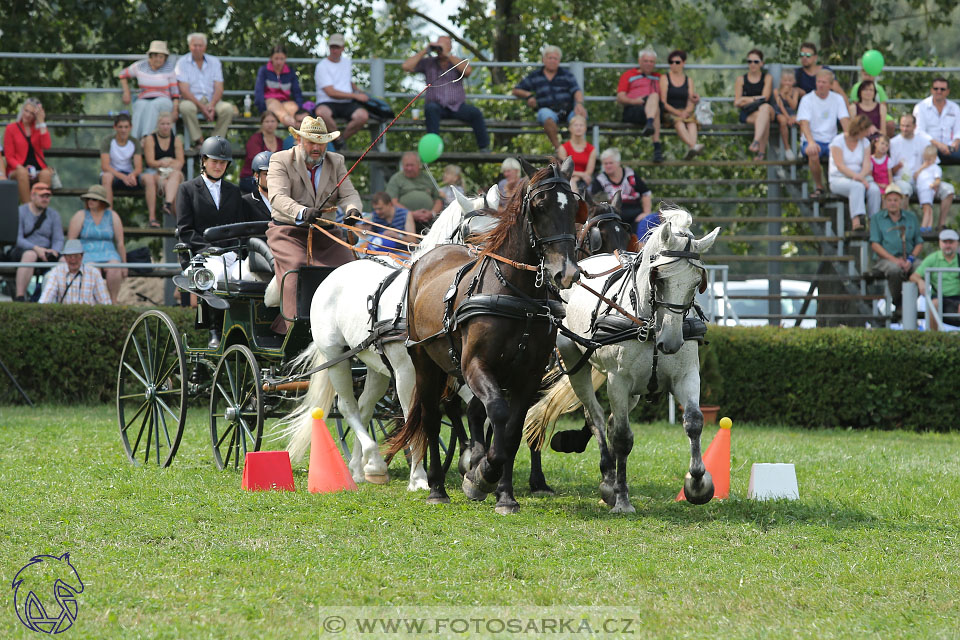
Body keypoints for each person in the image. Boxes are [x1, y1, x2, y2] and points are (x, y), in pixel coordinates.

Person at [266, 116, 362, 333]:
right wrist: (301, 211)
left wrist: (352, 211)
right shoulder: (280, 159)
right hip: (288, 232)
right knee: (298, 268)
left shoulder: (336, 161)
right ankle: (293, 329)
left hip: (326, 233)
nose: (316, 147)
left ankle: (351, 328)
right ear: (298, 139)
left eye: (321, 142)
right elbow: (277, 197)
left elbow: (349, 195)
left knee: (351, 268)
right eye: (311, 141)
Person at [402, 35, 490, 153]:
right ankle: (433, 148)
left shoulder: (457, 61)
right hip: (437, 107)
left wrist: (448, 55)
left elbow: (468, 71)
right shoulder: (428, 63)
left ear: (450, 47)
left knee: (475, 113)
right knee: (430, 109)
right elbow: (406, 66)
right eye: (438, 45)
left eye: (443, 46)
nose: (440, 49)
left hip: (457, 107)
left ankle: (484, 148)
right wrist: (425, 50)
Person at [513, 45, 587, 151]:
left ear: (559, 61)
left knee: (580, 116)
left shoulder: (566, 75)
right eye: (550, 58)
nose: (552, 61)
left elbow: (577, 91)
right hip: (547, 110)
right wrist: (528, 96)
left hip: (568, 110)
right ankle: (559, 150)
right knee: (546, 116)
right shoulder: (535, 75)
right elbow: (516, 90)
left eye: (555, 58)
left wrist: (579, 104)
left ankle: (577, 150)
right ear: (543, 60)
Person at [869, 184, 923, 316]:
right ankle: (898, 302)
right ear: (885, 201)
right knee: (894, 269)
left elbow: (919, 242)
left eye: (896, 200)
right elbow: (875, 244)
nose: (893, 203)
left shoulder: (911, 217)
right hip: (886, 260)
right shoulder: (877, 218)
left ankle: (909, 301)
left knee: (922, 267)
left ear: (902, 201)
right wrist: (894, 260)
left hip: (909, 258)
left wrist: (910, 259)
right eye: (889, 200)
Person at [66, 185, 126, 302]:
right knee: (93, 270)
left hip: (109, 252)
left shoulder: (112, 216)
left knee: (115, 268)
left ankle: (113, 301)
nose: (90, 202)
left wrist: (124, 264)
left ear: (101, 202)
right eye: (88, 199)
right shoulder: (81, 215)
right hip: (87, 252)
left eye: (94, 199)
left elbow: (120, 242)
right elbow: (72, 240)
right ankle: (96, 302)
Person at [797, 69, 850, 198]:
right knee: (813, 152)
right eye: (819, 82)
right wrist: (810, 142)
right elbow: (804, 123)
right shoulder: (807, 99)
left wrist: (849, 139)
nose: (820, 85)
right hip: (813, 139)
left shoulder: (837, 99)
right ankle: (819, 187)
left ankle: (842, 186)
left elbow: (844, 121)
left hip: (832, 140)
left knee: (847, 152)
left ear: (831, 85)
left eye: (824, 82)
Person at [175, 32, 234, 149]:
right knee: (185, 107)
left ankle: (214, 143)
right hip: (192, 100)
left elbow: (219, 87)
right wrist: (202, 107)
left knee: (227, 109)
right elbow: (184, 90)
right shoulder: (182, 62)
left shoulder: (214, 62)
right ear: (189, 46)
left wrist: (211, 105)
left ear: (205, 47)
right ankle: (200, 141)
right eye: (194, 45)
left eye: (200, 45)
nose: (197, 48)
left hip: (212, 100)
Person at [314, 34, 370, 148]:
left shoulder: (347, 62)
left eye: (337, 47)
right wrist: (355, 96)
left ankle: (339, 141)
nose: (334, 50)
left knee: (363, 116)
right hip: (327, 101)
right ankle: (338, 140)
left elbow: (346, 81)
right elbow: (331, 92)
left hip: (347, 103)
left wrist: (359, 91)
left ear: (343, 48)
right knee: (321, 113)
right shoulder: (322, 66)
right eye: (332, 47)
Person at [99, 113, 156, 225]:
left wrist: (132, 175)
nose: (123, 130)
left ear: (130, 127)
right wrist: (123, 177)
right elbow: (105, 166)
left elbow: (138, 167)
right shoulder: (108, 141)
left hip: (129, 175)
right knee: (106, 177)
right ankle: (109, 217)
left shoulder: (134, 142)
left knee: (149, 178)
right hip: (113, 174)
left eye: (126, 127)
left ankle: (152, 218)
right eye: (120, 127)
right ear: (115, 127)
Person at [10, 183, 63, 302]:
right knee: (30, 255)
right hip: (24, 250)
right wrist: (36, 249)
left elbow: (58, 239)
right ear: (33, 196)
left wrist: (54, 251)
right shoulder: (21, 211)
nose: (45, 199)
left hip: (47, 251)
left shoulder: (53, 215)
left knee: (65, 261)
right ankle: (20, 297)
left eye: (47, 197)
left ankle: (61, 299)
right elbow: (17, 239)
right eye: (42, 196)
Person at [828, 114, 882, 231]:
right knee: (857, 187)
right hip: (839, 178)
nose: (868, 133)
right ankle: (857, 220)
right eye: (866, 130)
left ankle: (874, 222)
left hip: (861, 176)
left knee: (874, 190)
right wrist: (859, 179)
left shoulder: (865, 142)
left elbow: (867, 164)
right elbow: (840, 165)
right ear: (860, 129)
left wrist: (862, 177)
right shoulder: (837, 141)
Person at [119, 40, 180, 140]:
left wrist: (175, 109)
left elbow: (175, 92)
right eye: (155, 56)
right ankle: (134, 139)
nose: (158, 59)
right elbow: (122, 74)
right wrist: (126, 92)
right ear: (150, 56)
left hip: (163, 99)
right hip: (144, 98)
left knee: (153, 106)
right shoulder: (140, 66)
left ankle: (146, 137)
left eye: (161, 57)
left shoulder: (169, 68)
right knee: (139, 106)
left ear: (165, 58)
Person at [590, 147, 656, 237]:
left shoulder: (630, 174)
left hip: (636, 216)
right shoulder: (600, 180)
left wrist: (646, 212)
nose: (608, 166)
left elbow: (645, 193)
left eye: (611, 163)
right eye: (605, 163)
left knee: (649, 222)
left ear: (618, 163)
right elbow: (597, 202)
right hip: (613, 217)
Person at [616, 48, 663, 163]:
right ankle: (657, 147)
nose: (649, 64)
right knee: (655, 105)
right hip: (634, 108)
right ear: (639, 61)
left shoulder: (659, 77)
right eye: (646, 61)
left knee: (655, 97)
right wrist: (636, 101)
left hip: (654, 107)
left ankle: (650, 124)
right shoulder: (628, 75)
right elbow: (620, 97)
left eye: (651, 61)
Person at [4, 97, 53, 204]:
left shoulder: (38, 128)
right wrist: (22, 168)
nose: (28, 115)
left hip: (37, 169)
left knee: (46, 174)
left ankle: (41, 206)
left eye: (31, 113)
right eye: (26, 111)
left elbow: (47, 145)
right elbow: (9, 157)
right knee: (22, 173)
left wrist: (42, 123)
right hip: (17, 169)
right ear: (22, 111)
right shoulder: (11, 128)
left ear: (35, 116)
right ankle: (28, 209)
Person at [910, 228, 960, 329]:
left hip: (957, 299)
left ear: (957, 243)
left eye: (951, 242)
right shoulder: (932, 258)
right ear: (939, 243)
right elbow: (914, 276)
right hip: (939, 298)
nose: (948, 245)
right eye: (945, 242)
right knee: (934, 304)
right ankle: (934, 338)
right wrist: (920, 281)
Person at [38, 240, 111, 305]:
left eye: (76, 256)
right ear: (65, 257)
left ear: (82, 257)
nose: (73, 260)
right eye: (70, 256)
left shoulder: (94, 273)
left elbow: (105, 302)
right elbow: (46, 299)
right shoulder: (56, 272)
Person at [659, 49, 703, 160]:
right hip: (670, 111)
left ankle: (692, 148)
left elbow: (691, 99)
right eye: (671, 62)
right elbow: (663, 102)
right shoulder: (665, 79)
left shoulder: (689, 80)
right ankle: (693, 146)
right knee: (678, 122)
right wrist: (678, 113)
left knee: (692, 123)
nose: (674, 65)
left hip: (684, 111)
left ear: (683, 63)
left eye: (677, 62)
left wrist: (687, 111)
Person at [143, 111, 185, 222]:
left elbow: (180, 162)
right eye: (163, 124)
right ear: (158, 125)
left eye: (168, 124)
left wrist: (170, 163)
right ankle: (179, 221)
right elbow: (150, 162)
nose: (165, 127)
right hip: (156, 173)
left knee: (176, 176)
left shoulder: (176, 140)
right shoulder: (150, 139)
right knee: (172, 186)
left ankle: (167, 204)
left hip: (172, 173)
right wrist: (163, 162)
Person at [733, 49, 775, 161]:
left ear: (762, 63)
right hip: (749, 113)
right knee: (763, 118)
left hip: (766, 109)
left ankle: (756, 141)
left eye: (756, 61)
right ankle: (761, 153)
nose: (752, 64)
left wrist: (745, 99)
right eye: (750, 61)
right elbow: (737, 102)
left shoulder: (767, 78)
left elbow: (765, 97)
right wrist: (755, 99)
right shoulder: (741, 79)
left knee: (764, 108)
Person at [386, 151, 442, 231]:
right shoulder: (396, 179)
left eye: (412, 165)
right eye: (406, 165)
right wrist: (410, 214)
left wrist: (432, 213)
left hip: (430, 221)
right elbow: (392, 202)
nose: (409, 168)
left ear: (419, 165)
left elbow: (438, 200)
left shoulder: (427, 178)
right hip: (404, 222)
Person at [254, 43, 304, 129]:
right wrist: (262, 109)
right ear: (271, 58)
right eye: (276, 58)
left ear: (285, 59)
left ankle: (297, 133)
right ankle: (292, 125)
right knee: (278, 109)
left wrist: (299, 107)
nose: (279, 62)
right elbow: (259, 91)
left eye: (281, 59)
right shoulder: (264, 70)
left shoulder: (290, 72)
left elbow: (297, 91)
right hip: (270, 102)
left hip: (285, 102)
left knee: (294, 109)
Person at [913, 77, 960, 165]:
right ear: (931, 90)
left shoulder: (955, 108)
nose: (939, 91)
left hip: (950, 147)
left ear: (948, 91)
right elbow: (919, 131)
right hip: (928, 147)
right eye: (936, 89)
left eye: (942, 89)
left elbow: (958, 130)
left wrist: (955, 143)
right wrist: (939, 145)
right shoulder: (921, 107)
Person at [914, 144, 955, 231]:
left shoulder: (936, 168)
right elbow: (915, 176)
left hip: (928, 190)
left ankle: (924, 226)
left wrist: (933, 185)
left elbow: (937, 180)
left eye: (929, 159)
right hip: (922, 190)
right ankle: (929, 226)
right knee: (929, 209)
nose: (927, 161)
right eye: (925, 159)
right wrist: (922, 167)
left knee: (927, 209)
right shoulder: (923, 168)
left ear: (935, 158)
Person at [240, 111, 282, 194]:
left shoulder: (279, 141)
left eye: (273, 121)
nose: (270, 124)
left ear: (277, 123)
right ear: (262, 123)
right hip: (251, 177)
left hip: (272, 177)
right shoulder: (255, 139)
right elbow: (256, 161)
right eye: (267, 121)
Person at [364, 191, 414, 256]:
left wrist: (397, 236)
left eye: (380, 209)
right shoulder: (374, 216)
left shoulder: (405, 214)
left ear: (390, 204)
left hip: (402, 254)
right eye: (375, 209)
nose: (377, 212)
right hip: (379, 253)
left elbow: (413, 241)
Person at [557, 114, 596, 190]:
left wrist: (577, 178)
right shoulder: (563, 148)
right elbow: (565, 170)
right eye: (576, 125)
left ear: (585, 128)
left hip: (584, 180)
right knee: (571, 183)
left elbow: (589, 172)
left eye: (581, 125)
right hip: (566, 179)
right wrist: (579, 175)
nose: (579, 128)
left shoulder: (591, 149)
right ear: (570, 128)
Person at [772, 70, 804, 160]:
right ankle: (787, 148)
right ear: (781, 81)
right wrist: (788, 118)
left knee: (802, 121)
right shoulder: (776, 91)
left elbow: (793, 106)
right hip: (779, 112)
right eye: (785, 80)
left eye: (790, 81)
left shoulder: (795, 91)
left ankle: (802, 147)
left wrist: (787, 96)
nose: (787, 83)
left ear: (793, 82)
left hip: (791, 112)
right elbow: (780, 105)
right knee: (783, 121)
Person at [241, 150, 273, 221]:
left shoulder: (285, 201)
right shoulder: (245, 202)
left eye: (274, 174)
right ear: (256, 175)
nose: (271, 178)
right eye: (266, 174)